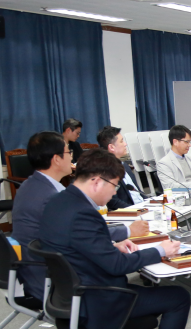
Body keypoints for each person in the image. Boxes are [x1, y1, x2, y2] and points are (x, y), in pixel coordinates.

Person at [39, 149, 190, 329]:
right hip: (96, 300)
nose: (115, 192)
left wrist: (110, 245)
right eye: (114, 186)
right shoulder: (84, 213)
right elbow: (116, 265)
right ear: (96, 181)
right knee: (179, 296)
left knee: (147, 296)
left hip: (68, 296)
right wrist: (160, 250)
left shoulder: (59, 201)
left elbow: (73, 244)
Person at [12, 132, 148, 314]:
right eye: (69, 152)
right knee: (113, 268)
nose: (73, 157)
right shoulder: (52, 198)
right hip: (50, 278)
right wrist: (127, 232)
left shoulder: (32, 185)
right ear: (56, 159)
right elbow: (84, 233)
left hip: (33, 267)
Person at [96, 126, 144, 210]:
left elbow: (138, 192)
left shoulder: (124, 165)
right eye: (121, 141)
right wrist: (137, 210)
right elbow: (113, 202)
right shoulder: (105, 170)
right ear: (111, 147)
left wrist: (150, 202)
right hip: (129, 213)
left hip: (142, 207)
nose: (125, 144)